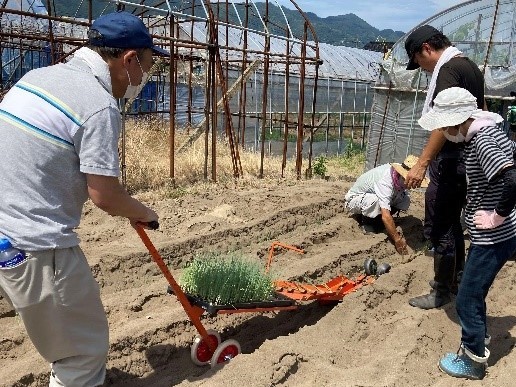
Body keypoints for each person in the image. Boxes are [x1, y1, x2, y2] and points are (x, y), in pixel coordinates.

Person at [0, 11, 167, 386]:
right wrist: (144, 212)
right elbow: (105, 195)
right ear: (128, 60)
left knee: (60, 334)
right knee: (82, 353)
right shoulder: (97, 104)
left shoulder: (36, 78)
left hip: (4, 231)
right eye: (147, 66)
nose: (144, 79)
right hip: (36, 246)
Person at [417, 87, 516, 380]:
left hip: (492, 236)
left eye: (444, 127)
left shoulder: (483, 141)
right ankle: (480, 337)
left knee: (466, 299)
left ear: (456, 122)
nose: (444, 133)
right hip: (500, 233)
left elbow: (511, 178)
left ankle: (472, 362)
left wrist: (496, 215)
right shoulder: (493, 130)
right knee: (476, 292)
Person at [404, 25, 486, 309]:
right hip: (465, 159)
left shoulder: (448, 70)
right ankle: (456, 279)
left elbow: (444, 119)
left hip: (451, 161)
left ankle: (441, 291)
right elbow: (481, 109)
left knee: (439, 223)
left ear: (427, 48)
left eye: (419, 61)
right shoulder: (470, 67)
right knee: (453, 222)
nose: (423, 69)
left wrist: (422, 163)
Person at [344, 155, 429, 255]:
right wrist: (397, 239)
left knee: (405, 199)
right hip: (354, 200)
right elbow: (386, 215)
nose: (415, 185)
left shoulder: (398, 180)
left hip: (372, 198)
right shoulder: (385, 180)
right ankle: (368, 224)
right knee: (375, 201)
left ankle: (378, 220)